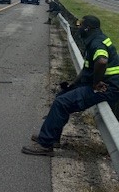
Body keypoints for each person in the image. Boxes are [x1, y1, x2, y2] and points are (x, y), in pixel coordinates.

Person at [22, 15, 119, 156]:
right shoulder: (95, 38)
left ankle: (45, 145)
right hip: (103, 84)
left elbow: (102, 61)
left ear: (88, 28)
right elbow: (87, 68)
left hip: (107, 87)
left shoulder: (97, 42)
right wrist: (73, 84)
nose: (78, 27)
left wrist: (96, 83)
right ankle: (52, 137)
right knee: (61, 96)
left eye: (81, 24)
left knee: (62, 103)